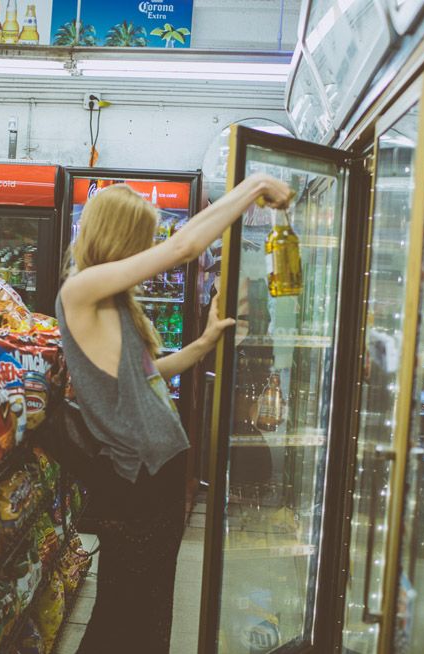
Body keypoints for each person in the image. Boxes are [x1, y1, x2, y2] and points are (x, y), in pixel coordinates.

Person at [56, 173, 292, 652]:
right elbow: (184, 248)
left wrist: (203, 344)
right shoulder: (80, 291)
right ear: (119, 237)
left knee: (141, 608)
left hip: (154, 476)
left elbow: (144, 377)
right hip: (137, 480)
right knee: (129, 614)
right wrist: (253, 187)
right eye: (142, 240)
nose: (147, 250)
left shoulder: (111, 303)